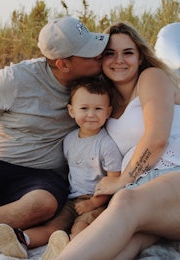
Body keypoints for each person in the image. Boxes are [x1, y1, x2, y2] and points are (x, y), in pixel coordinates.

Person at [52, 22, 180, 260]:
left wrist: (121, 182)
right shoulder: (104, 102)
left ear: (140, 57)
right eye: (110, 53)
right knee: (124, 245)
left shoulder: (152, 77)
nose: (119, 60)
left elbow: (156, 139)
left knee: (126, 201)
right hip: (145, 194)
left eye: (128, 53)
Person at [0, 16, 109, 258]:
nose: (99, 55)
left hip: (43, 177)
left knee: (44, 204)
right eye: (89, 53)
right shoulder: (15, 79)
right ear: (63, 64)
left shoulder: (99, 83)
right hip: (2, 163)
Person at [42, 77, 122, 260]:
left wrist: (93, 203)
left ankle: (71, 253)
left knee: (80, 228)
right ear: (71, 111)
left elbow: (114, 181)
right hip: (71, 199)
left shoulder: (107, 145)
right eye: (84, 108)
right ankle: (24, 239)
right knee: (54, 226)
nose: (91, 114)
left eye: (98, 109)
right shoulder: (69, 140)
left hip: (96, 200)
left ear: (108, 112)